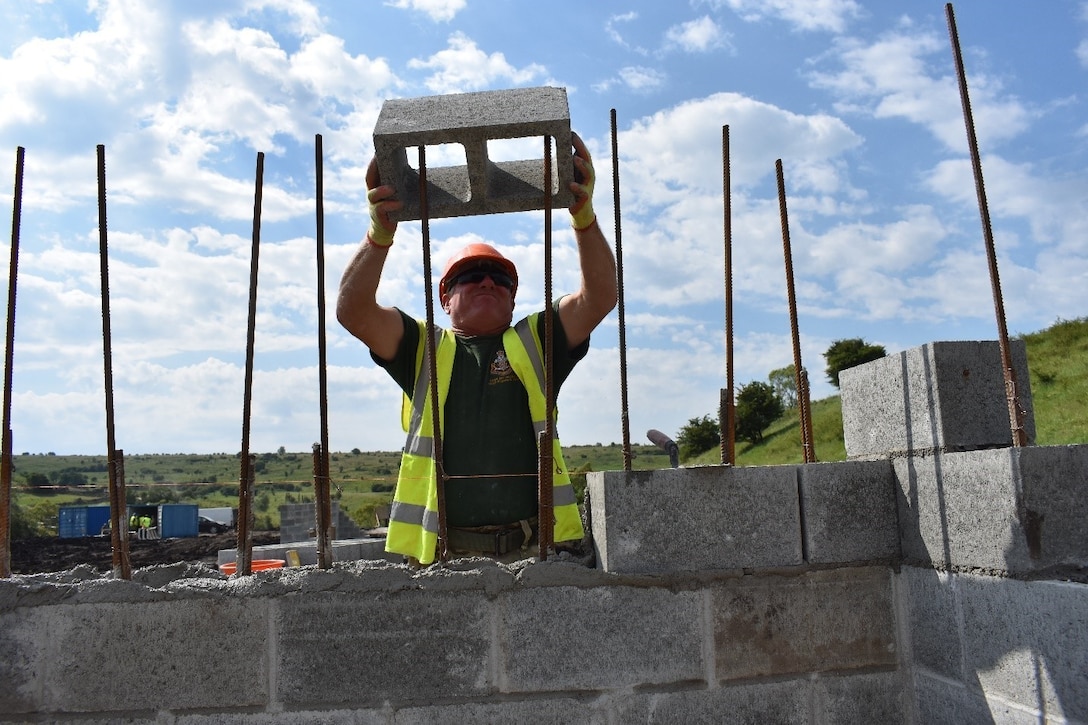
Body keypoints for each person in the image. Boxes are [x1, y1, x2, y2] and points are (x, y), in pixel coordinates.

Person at [337, 132, 617, 565]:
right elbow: (353, 311)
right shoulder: (422, 347)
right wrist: (379, 234)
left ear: (511, 297)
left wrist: (584, 218)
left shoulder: (535, 340)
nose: (488, 281)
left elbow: (598, 297)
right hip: (444, 556)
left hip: (533, 554)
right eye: (471, 276)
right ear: (445, 298)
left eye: (501, 278)